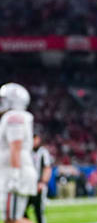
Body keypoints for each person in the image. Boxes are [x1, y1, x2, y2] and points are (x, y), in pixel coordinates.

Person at [0, 83, 37, 223]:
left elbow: (15, 147)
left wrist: (15, 174)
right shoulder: (16, 116)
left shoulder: (13, 117)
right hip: (16, 171)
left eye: (4, 99)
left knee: (13, 220)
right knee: (11, 219)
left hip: (15, 173)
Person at [24, 134, 51, 223]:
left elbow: (47, 168)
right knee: (21, 211)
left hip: (38, 186)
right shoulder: (26, 151)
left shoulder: (43, 152)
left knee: (39, 212)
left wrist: (42, 182)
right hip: (27, 186)